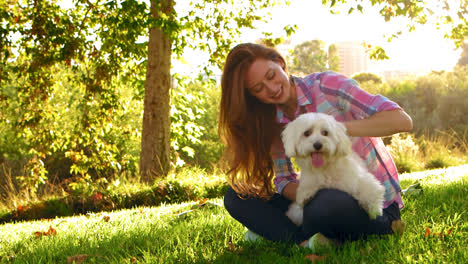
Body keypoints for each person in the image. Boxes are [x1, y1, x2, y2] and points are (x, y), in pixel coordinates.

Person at [218, 43, 413, 251]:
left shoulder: (327, 86)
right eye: (258, 88)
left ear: (280, 63)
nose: (272, 88)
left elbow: (402, 120)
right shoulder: (271, 121)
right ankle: (305, 242)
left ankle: (278, 232)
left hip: (369, 202)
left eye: (271, 75)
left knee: (327, 205)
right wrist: (312, 192)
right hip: (316, 197)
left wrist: (338, 129)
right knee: (236, 196)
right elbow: (284, 179)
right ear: (252, 95)